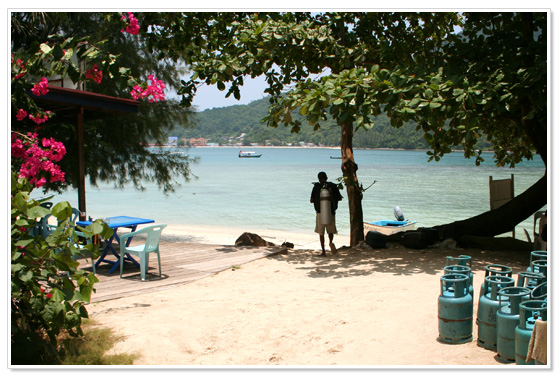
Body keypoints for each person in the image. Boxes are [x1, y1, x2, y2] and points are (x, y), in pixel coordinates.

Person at [310, 171, 343, 256]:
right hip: (330, 212)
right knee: (330, 231)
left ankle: (323, 251)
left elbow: (311, 200)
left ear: (319, 179)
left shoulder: (316, 187)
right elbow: (339, 198)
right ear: (327, 178)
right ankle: (331, 243)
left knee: (321, 233)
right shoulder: (333, 186)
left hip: (320, 213)